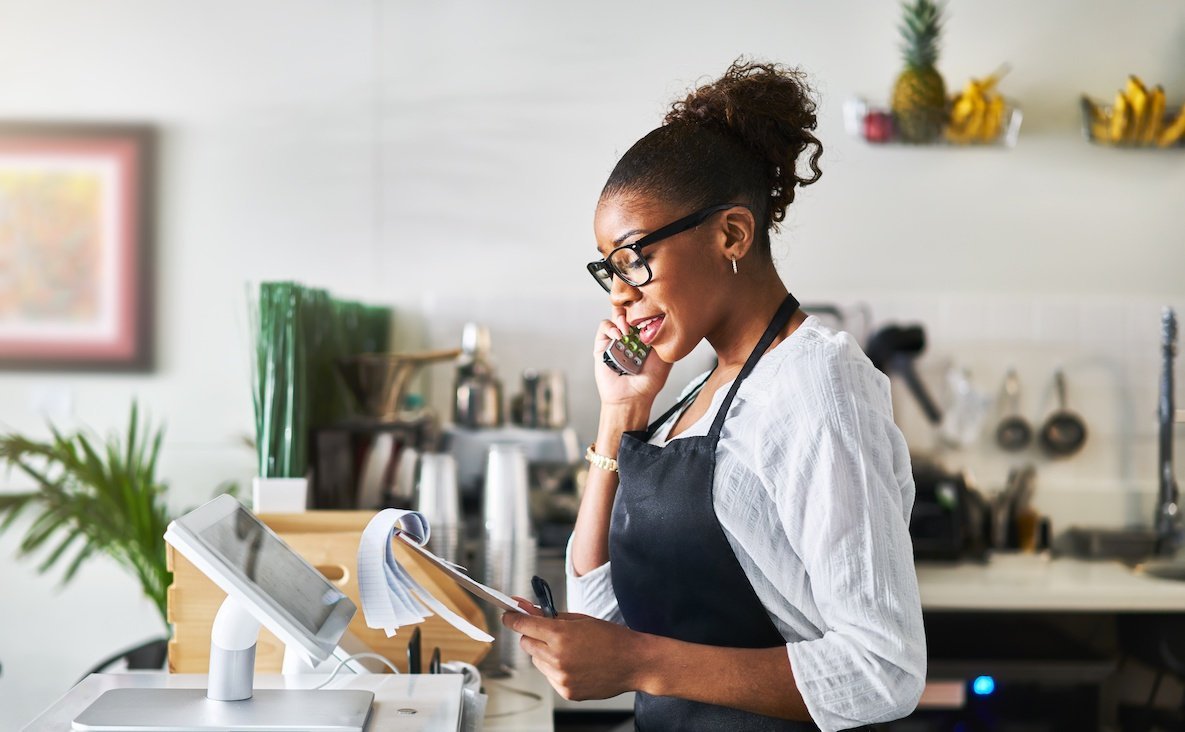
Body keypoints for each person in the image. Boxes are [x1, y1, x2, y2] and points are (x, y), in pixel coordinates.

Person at [501, 59, 926, 731]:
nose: (619, 292)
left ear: (730, 234)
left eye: (634, 258)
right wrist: (618, 414)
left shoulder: (819, 386)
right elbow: (596, 614)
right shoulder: (698, 390)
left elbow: (884, 670)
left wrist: (641, 663)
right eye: (608, 269)